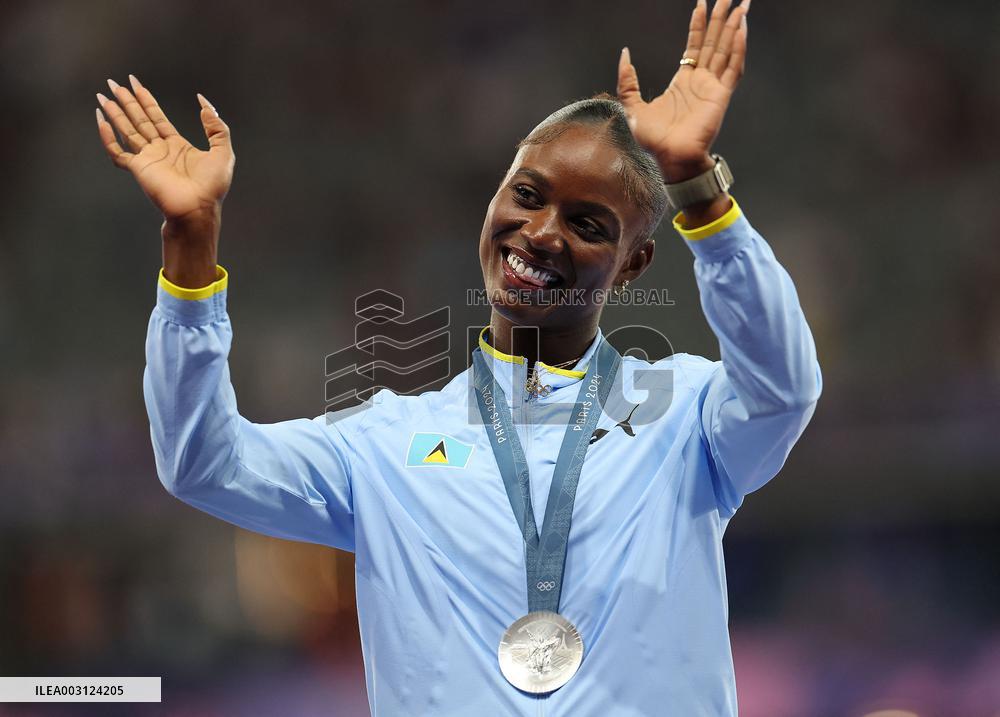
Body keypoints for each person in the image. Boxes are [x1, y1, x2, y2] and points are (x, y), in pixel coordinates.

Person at [96, 0, 821, 713]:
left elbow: (783, 391)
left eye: (587, 223)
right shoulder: (381, 446)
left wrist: (698, 189)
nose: (540, 233)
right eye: (526, 194)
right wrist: (190, 248)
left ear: (633, 265)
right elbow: (204, 465)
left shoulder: (684, 414)